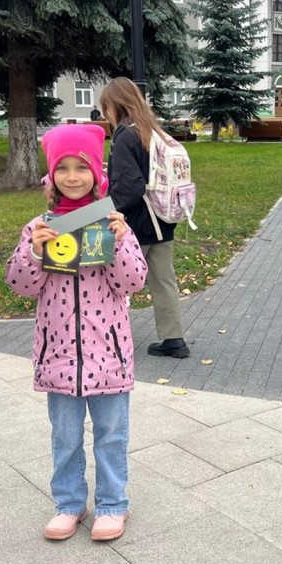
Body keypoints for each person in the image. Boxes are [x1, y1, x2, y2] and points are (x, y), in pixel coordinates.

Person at [6, 123, 147, 542]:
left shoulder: (111, 223)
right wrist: (34, 251)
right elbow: (20, 285)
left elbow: (133, 282)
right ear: (51, 176)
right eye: (63, 168)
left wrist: (120, 241)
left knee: (111, 434)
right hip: (59, 356)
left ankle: (112, 504)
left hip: (109, 353)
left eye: (81, 167)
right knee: (65, 436)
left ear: (96, 173)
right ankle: (69, 503)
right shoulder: (40, 227)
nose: (72, 176)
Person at [100, 77, 190, 358]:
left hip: (136, 222)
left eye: (106, 108)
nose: (106, 115)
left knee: (114, 280)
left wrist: (104, 211)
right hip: (164, 217)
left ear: (116, 105)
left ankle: (109, 337)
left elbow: (130, 186)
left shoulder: (125, 135)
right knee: (164, 280)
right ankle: (174, 339)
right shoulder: (153, 130)